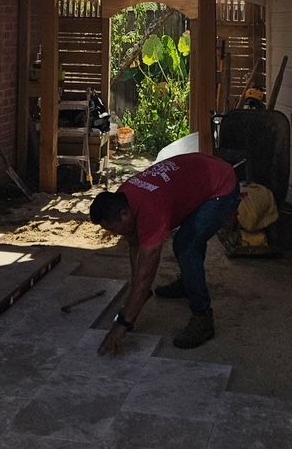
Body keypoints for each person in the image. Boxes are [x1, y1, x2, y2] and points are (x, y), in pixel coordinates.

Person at [89, 152, 240, 355]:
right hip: (200, 175)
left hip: (221, 186)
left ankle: (203, 318)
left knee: (186, 245)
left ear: (124, 214)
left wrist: (123, 324)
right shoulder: (124, 198)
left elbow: (147, 273)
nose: (115, 235)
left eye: (114, 229)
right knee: (186, 242)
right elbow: (135, 244)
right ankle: (189, 282)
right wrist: (137, 292)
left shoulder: (150, 209)